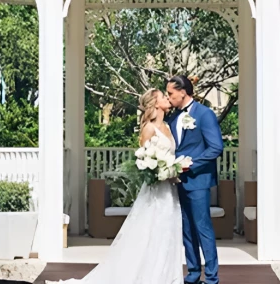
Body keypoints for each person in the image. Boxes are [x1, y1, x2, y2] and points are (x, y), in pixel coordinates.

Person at [56, 88, 184, 284]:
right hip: (156, 191)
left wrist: (173, 170)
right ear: (155, 103)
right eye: (163, 96)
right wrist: (162, 171)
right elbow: (144, 162)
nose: (167, 98)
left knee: (168, 233)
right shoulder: (149, 129)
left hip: (170, 190)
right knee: (151, 233)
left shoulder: (168, 125)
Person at [166, 75, 224, 284]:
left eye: (171, 93)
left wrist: (191, 163)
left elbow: (216, 147)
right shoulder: (172, 118)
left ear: (183, 92)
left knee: (203, 228)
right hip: (177, 182)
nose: (168, 97)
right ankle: (192, 273)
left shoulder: (204, 114)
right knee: (187, 229)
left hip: (198, 181)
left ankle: (211, 277)